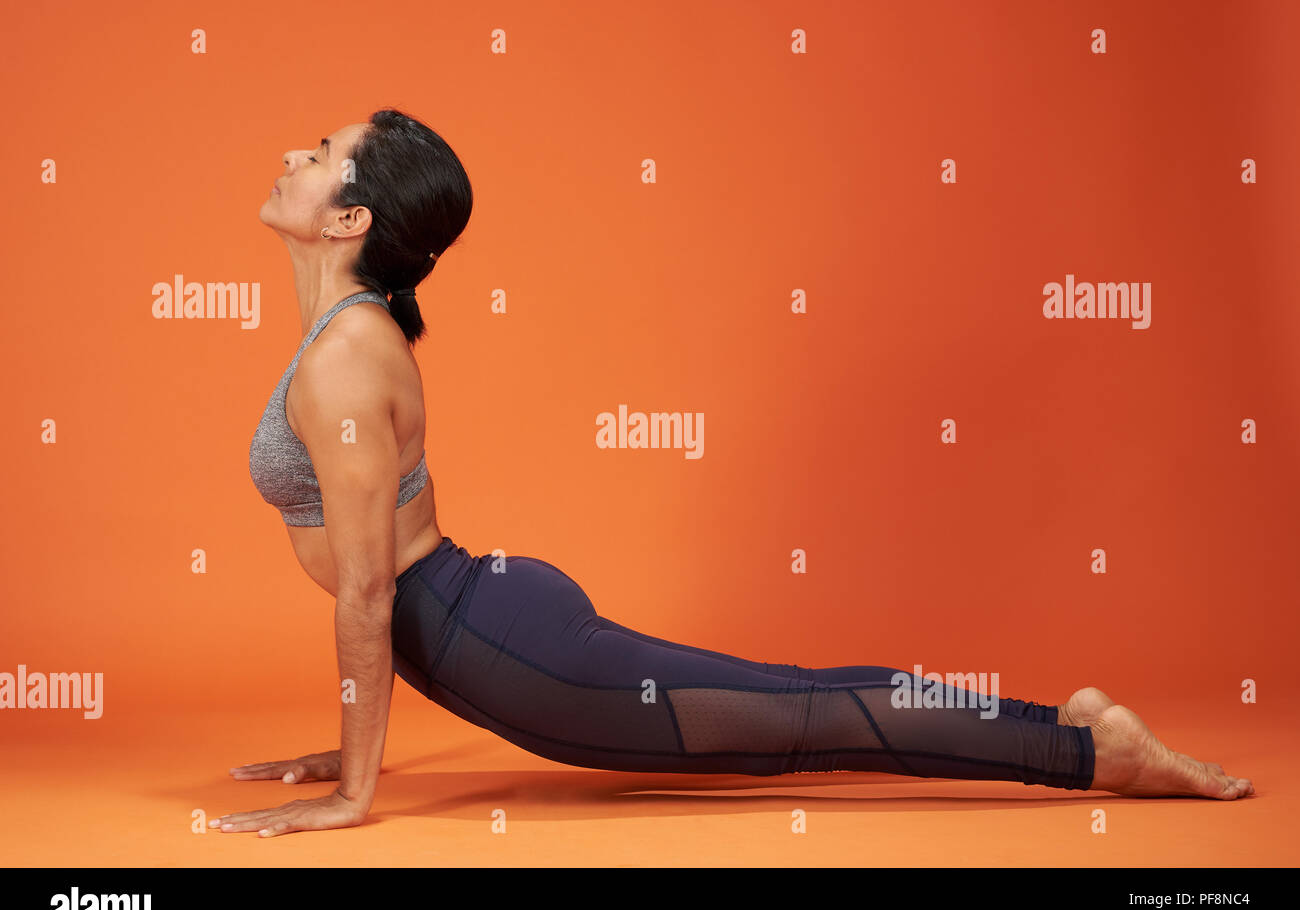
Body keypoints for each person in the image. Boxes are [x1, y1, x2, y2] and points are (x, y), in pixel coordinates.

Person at [213, 109, 1253, 839]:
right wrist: (351, 748)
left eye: (316, 153)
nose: (289, 158)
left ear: (349, 221)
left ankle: (1089, 749)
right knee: (788, 717)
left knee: (797, 721)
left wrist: (354, 789)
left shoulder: (346, 354)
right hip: (480, 632)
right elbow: (370, 580)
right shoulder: (347, 339)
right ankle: (1073, 739)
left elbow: (366, 587)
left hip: (509, 652)